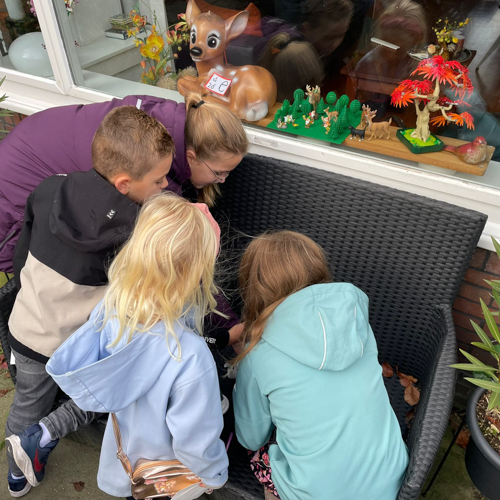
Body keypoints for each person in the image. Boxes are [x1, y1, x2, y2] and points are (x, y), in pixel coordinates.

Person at [4, 106, 175, 498]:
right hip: (79, 346)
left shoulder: (51, 187)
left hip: (29, 328)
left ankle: (17, 474)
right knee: (109, 390)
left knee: (27, 401)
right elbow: (131, 294)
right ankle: (48, 432)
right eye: (158, 179)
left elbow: (22, 252)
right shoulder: (135, 231)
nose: (166, 185)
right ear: (124, 183)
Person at [44, 194, 228, 499]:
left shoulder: (111, 311)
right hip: (167, 476)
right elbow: (196, 443)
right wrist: (214, 475)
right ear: (199, 271)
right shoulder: (191, 356)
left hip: (127, 461)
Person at [232, 231, 409, 500]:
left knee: (260, 454)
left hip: (317, 493)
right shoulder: (358, 326)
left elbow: (251, 437)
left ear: (255, 287)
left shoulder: (258, 354)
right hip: (391, 480)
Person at [0, 91, 249, 273]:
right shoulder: (148, 165)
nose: (222, 180)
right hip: (15, 193)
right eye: (219, 173)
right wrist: (225, 325)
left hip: (33, 139)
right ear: (191, 157)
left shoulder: (168, 127)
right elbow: (179, 260)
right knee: (46, 268)